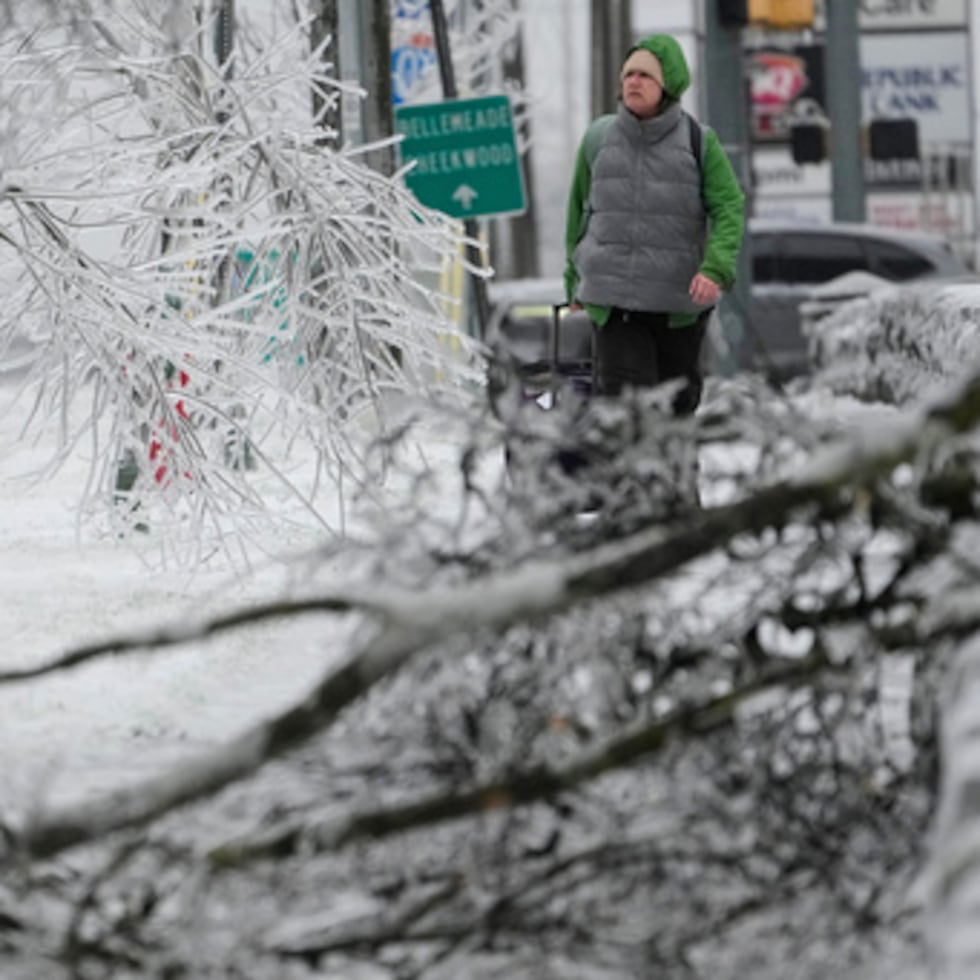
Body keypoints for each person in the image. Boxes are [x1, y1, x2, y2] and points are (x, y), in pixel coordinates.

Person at [563, 33, 745, 414]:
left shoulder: (700, 143)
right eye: (628, 74)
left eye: (645, 75)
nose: (633, 81)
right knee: (629, 409)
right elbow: (579, 211)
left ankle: (675, 473)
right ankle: (632, 474)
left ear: (669, 84)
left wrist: (716, 268)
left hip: (678, 305)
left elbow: (729, 208)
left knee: (676, 410)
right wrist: (574, 280)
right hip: (613, 302)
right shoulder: (598, 138)